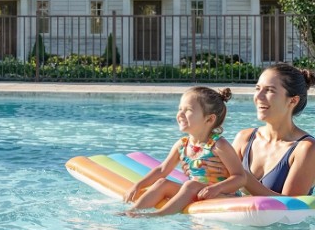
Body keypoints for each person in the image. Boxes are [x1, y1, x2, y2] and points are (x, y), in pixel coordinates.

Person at [122, 86, 247, 216]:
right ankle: (131, 212)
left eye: (188, 110)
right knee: (162, 183)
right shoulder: (182, 145)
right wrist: (138, 185)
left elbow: (240, 177)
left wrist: (217, 188)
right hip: (196, 192)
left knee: (190, 185)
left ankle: (158, 215)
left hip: (222, 196)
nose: (180, 114)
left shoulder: (219, 145)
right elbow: (162, 170)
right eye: (180, 109)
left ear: (209, 119)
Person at [225, 63, 315, 197]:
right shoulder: (244, 138)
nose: (258, 97)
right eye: (257, 88)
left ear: (293, 101)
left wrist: (244, 179)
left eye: (270, 90)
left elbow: (291, 207)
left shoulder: (306, 148)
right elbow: (222, 186)